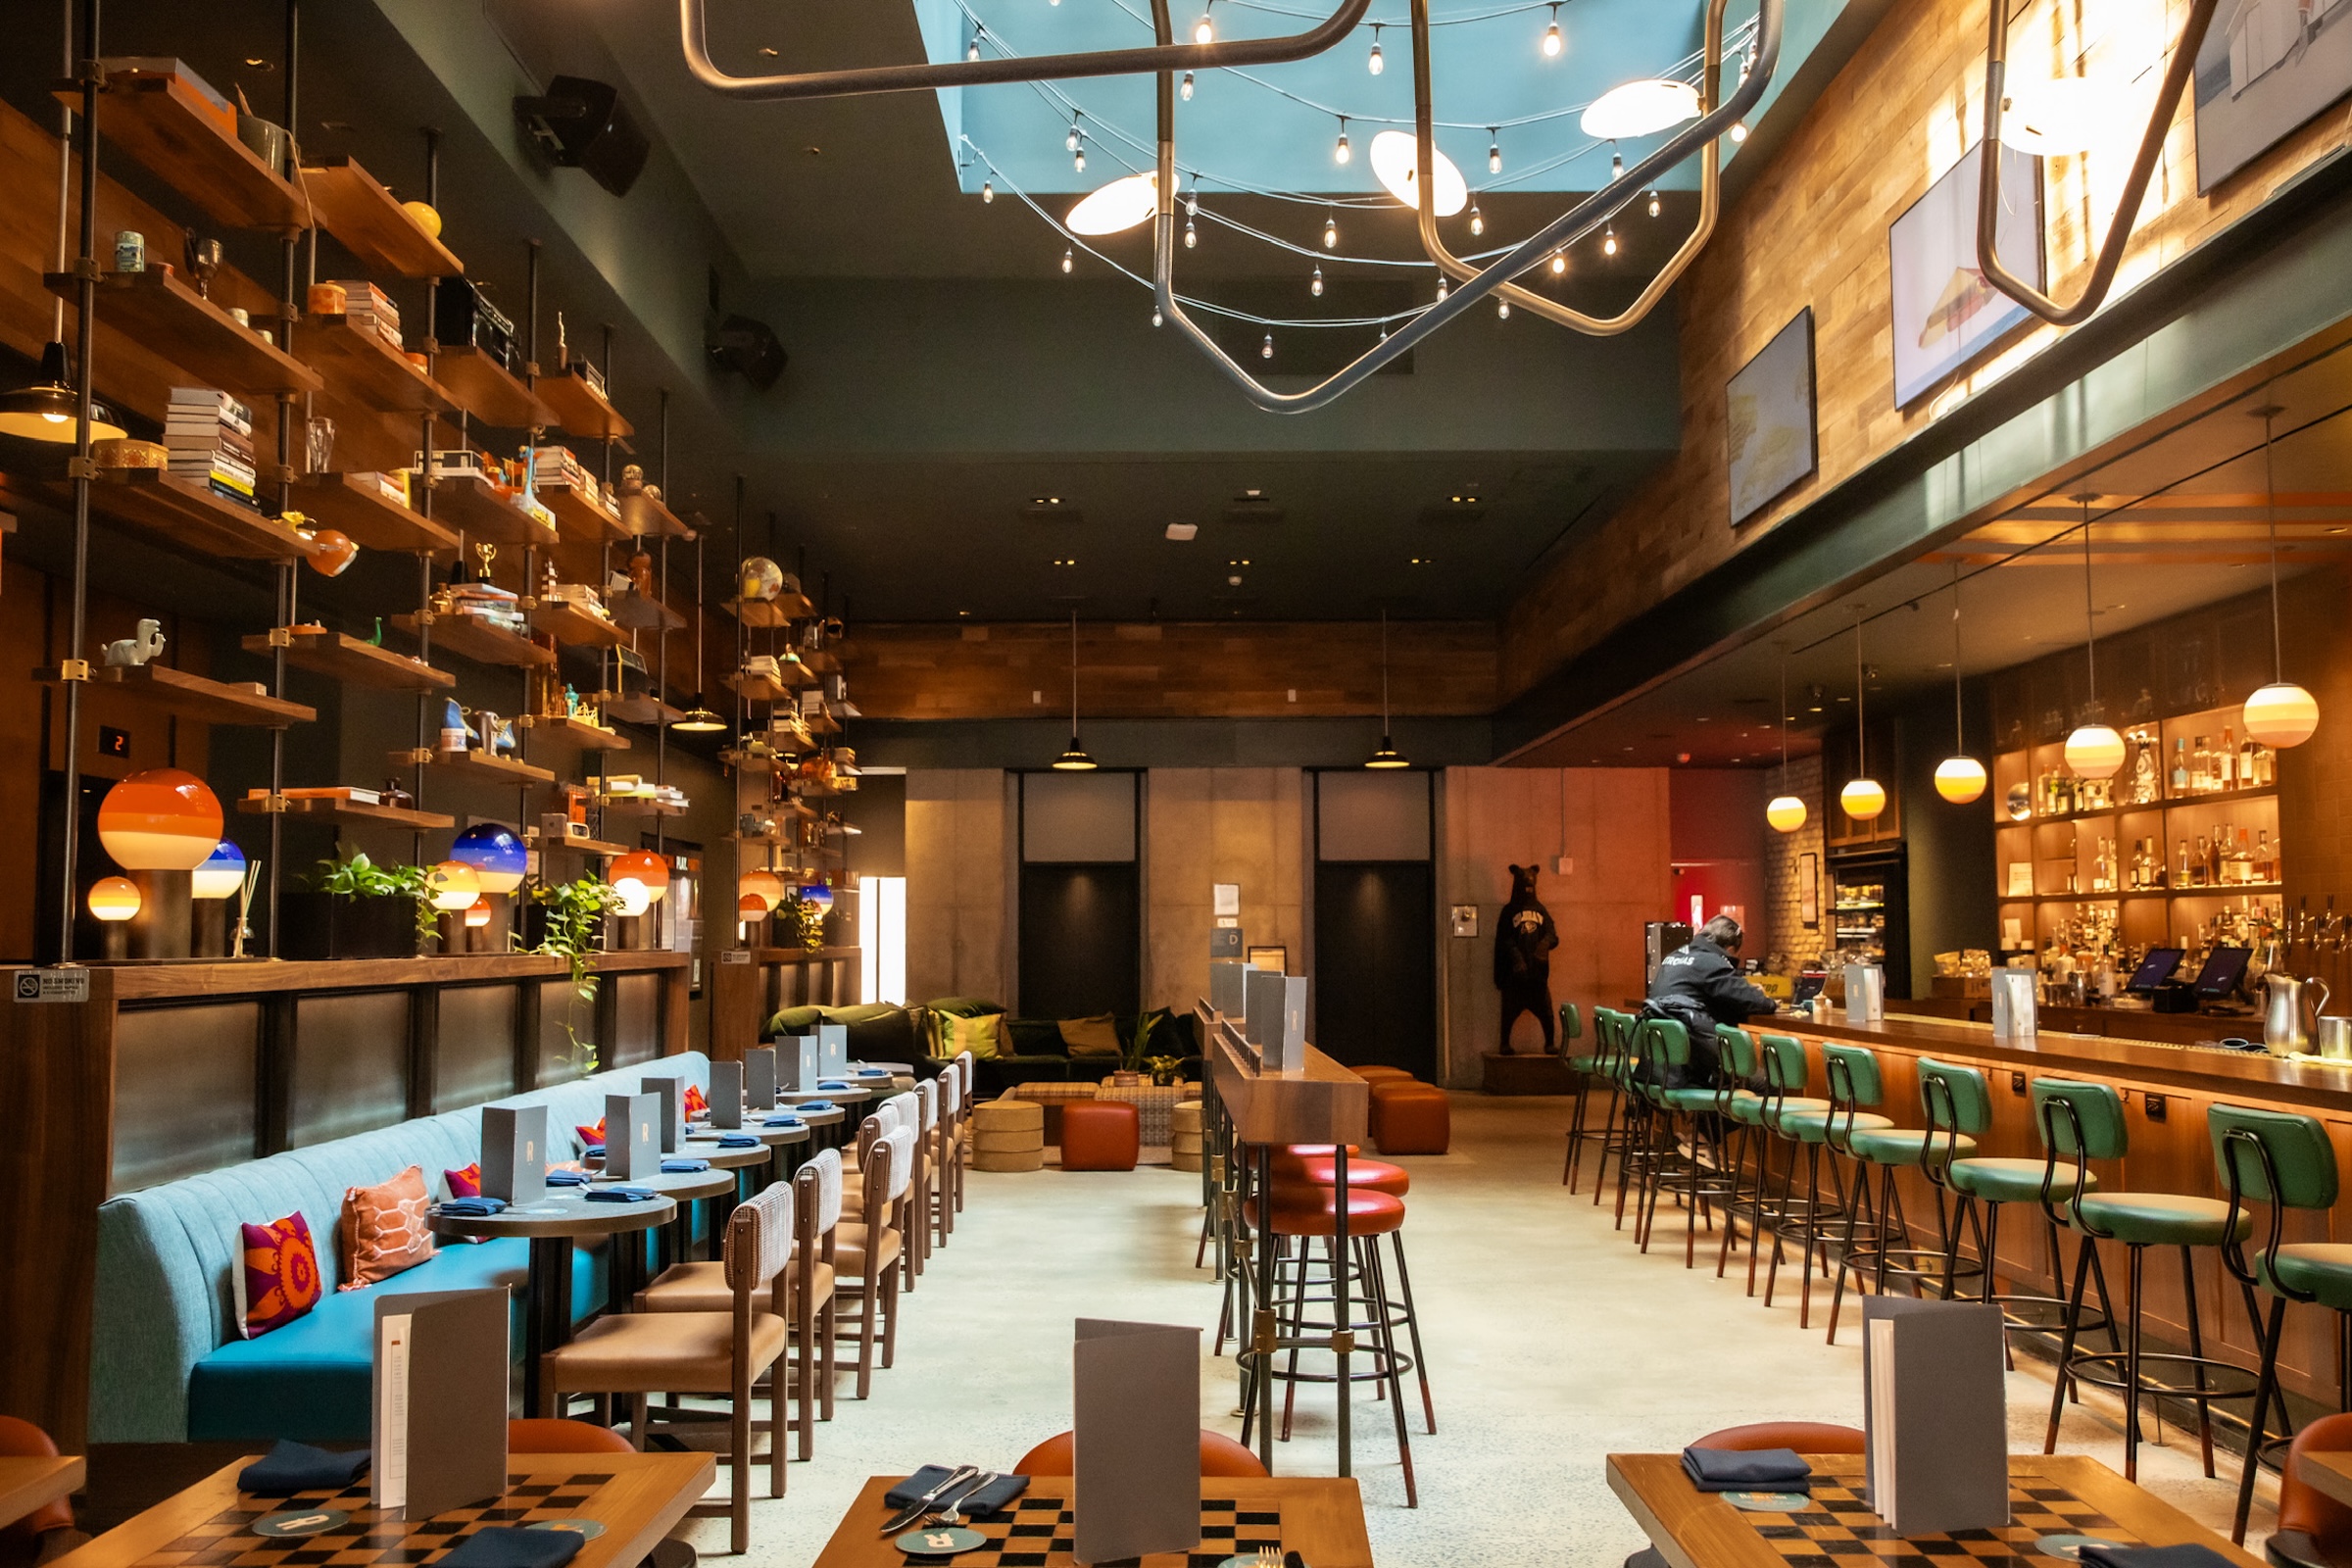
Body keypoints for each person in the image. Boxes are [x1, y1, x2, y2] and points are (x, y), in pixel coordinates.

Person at [1639, 914, 1775, 1087]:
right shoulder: (1711, 961)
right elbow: (1758, 1002)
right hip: (1693, 1070)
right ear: (1730, 949)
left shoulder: (1673, 956)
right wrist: (1768, 1000)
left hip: (1660, 1068)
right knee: (1768, 1082)